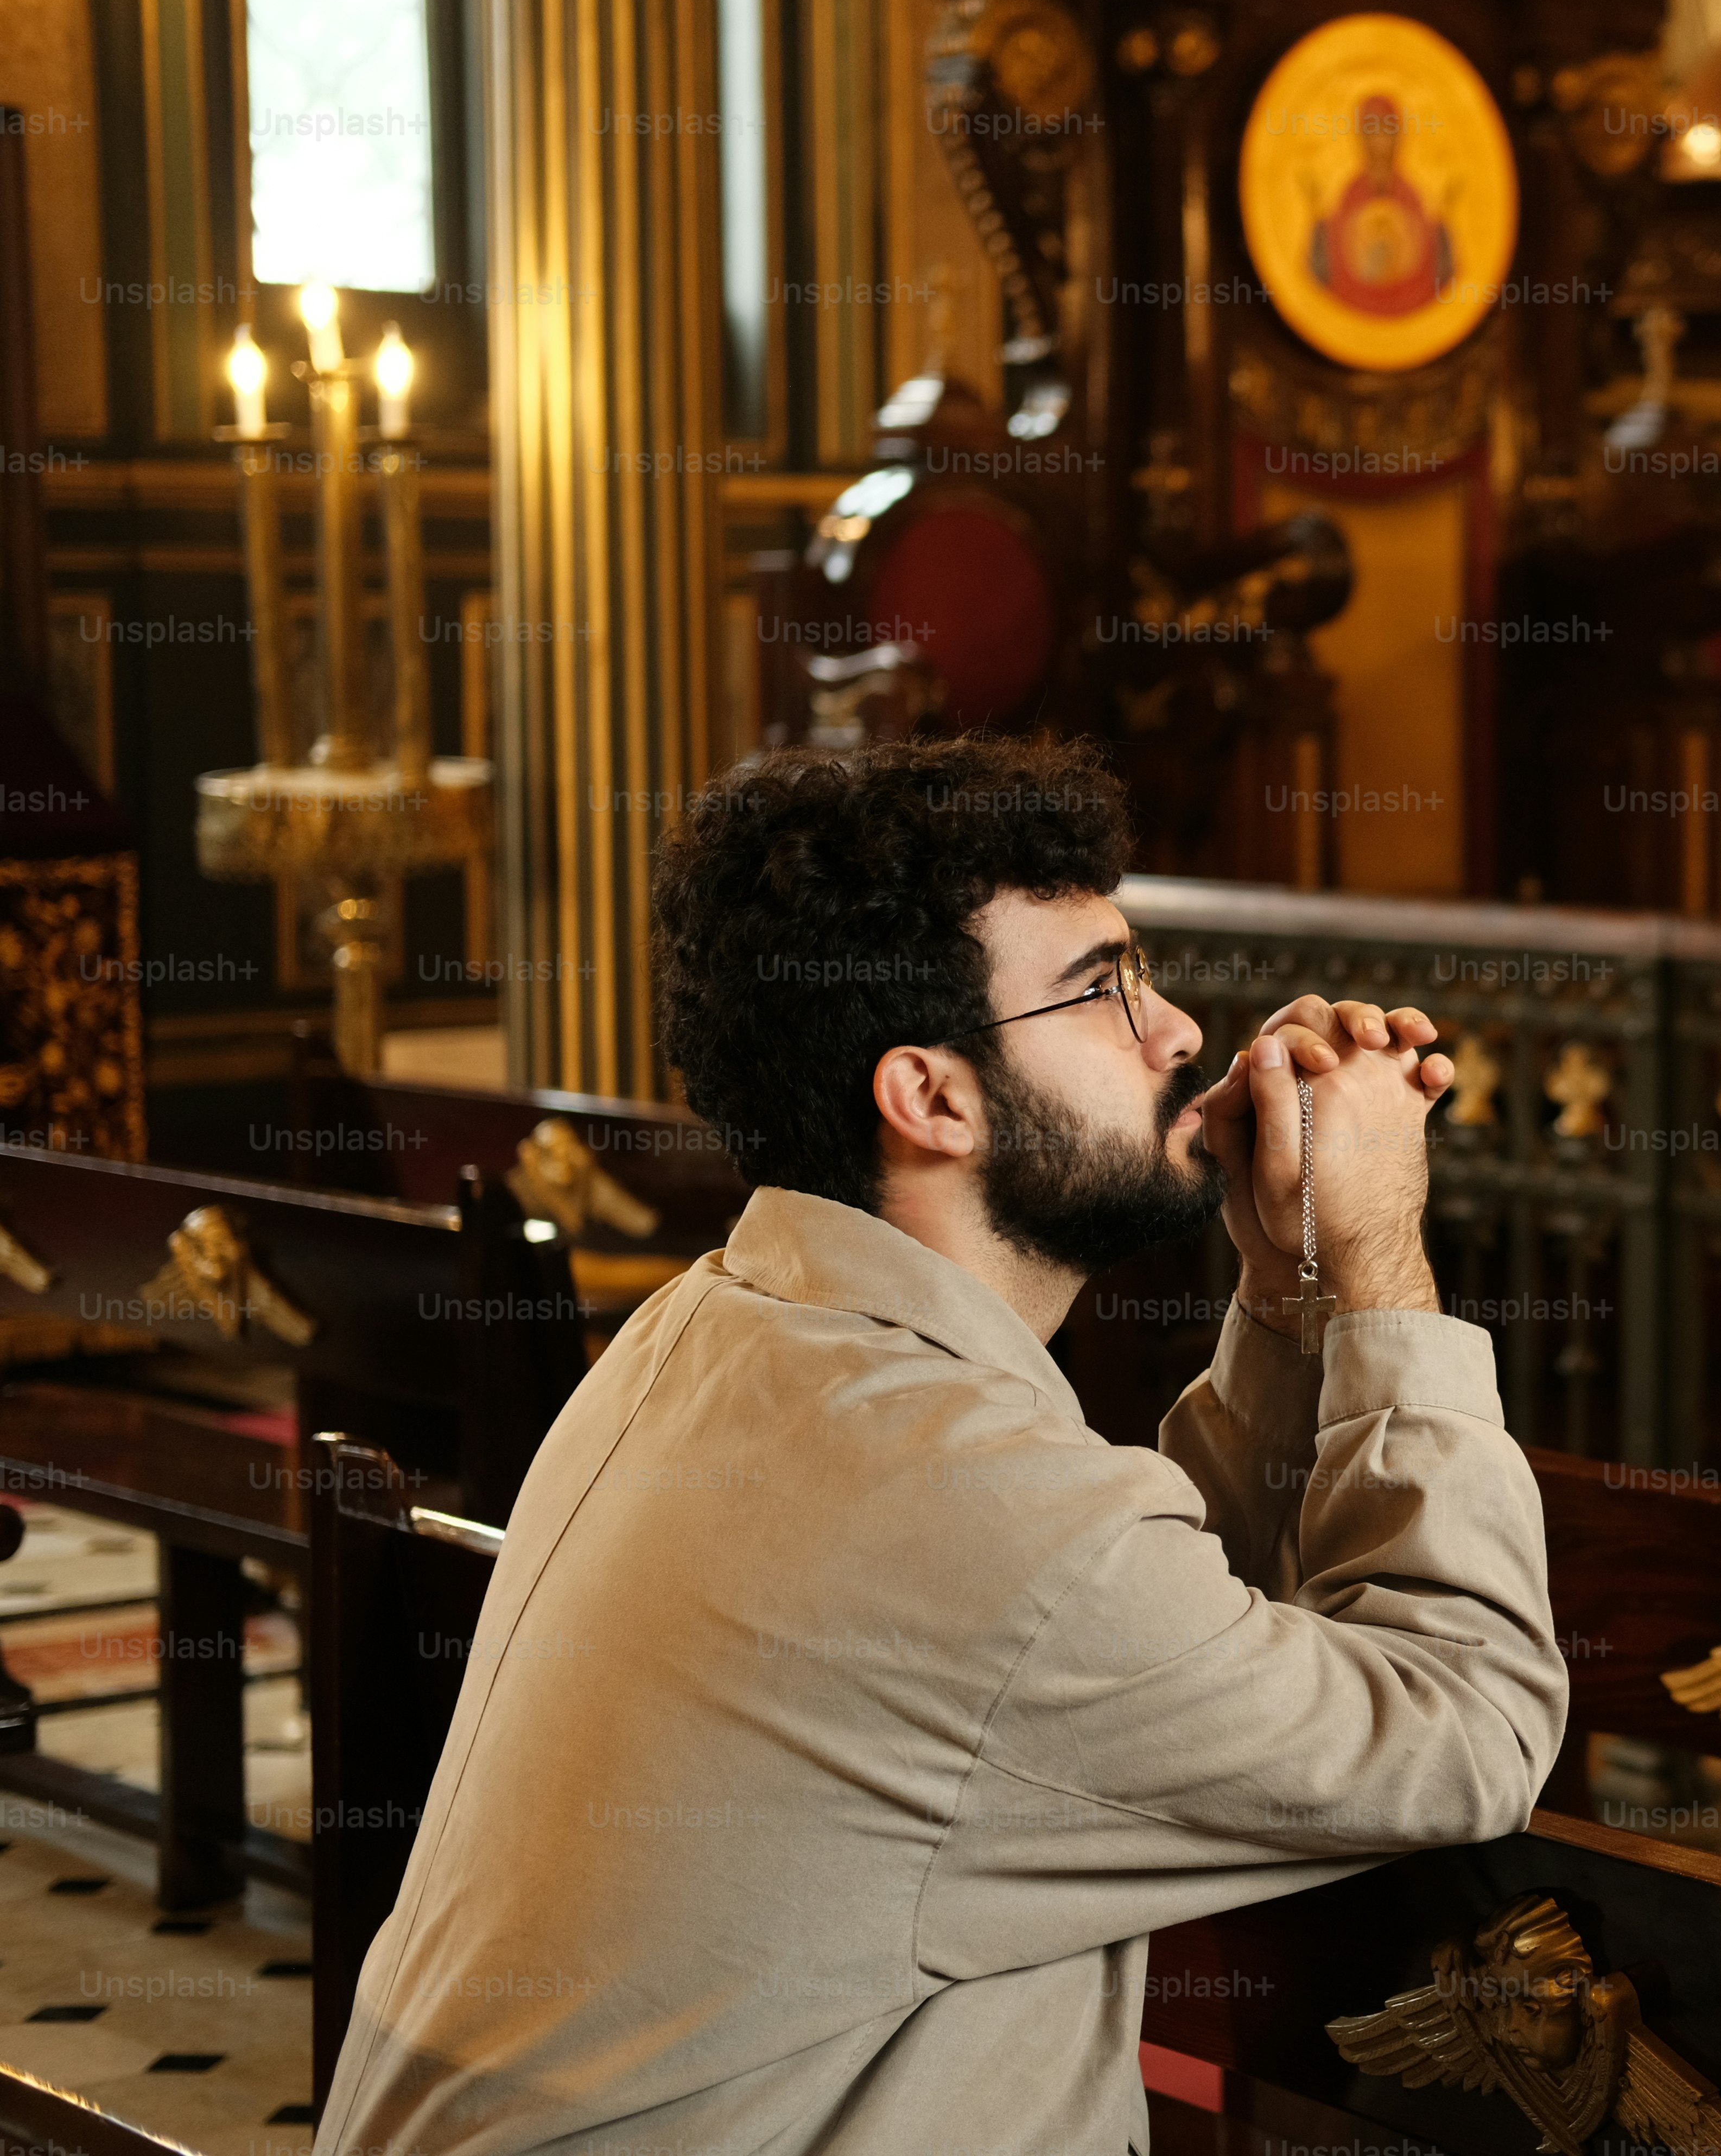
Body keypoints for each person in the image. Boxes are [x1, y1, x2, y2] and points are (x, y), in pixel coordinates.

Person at [318, 733, 1564, 2156]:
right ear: (934, 1098)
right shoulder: (965, 1496)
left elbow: (1120, 1653)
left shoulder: (717, 1330)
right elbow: (1470, 1732)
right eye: (1104, 995)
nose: (1176, 1038)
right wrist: (1383, 1256)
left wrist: (1290, 1296)